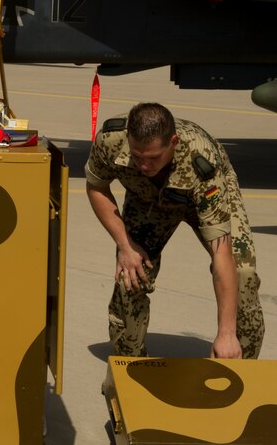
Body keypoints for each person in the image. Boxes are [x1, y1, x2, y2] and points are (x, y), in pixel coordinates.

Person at [85, 102, 264, 359]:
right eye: (137, 157)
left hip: (201, 195)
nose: (144, 166)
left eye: (153, 158)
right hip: (148, 200)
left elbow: (222, 252)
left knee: (242, 274)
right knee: (131, 276)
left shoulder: (202, 162)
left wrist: (225, 332)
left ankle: (239, 366)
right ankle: (128, 369)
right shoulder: (110, 140)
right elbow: (96, 187)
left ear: (174, 142)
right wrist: (125, 245)